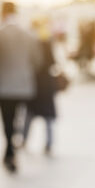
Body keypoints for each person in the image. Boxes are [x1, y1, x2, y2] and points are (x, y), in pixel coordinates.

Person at [0, 1, 40, 172]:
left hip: (4, 84)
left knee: (6, 119)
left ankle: (9, 150)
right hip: (23, 84)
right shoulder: (29, 34)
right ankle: (12, 148)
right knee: (18, 117)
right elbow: (37, 61)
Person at [22, 18, 57, 155]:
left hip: (34, 82)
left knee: (30, 113)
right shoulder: (47, 41)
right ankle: (49, 142)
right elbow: (53, 62)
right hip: (46, 84)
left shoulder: (31, 42)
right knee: (47, 116)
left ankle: (24, 139)